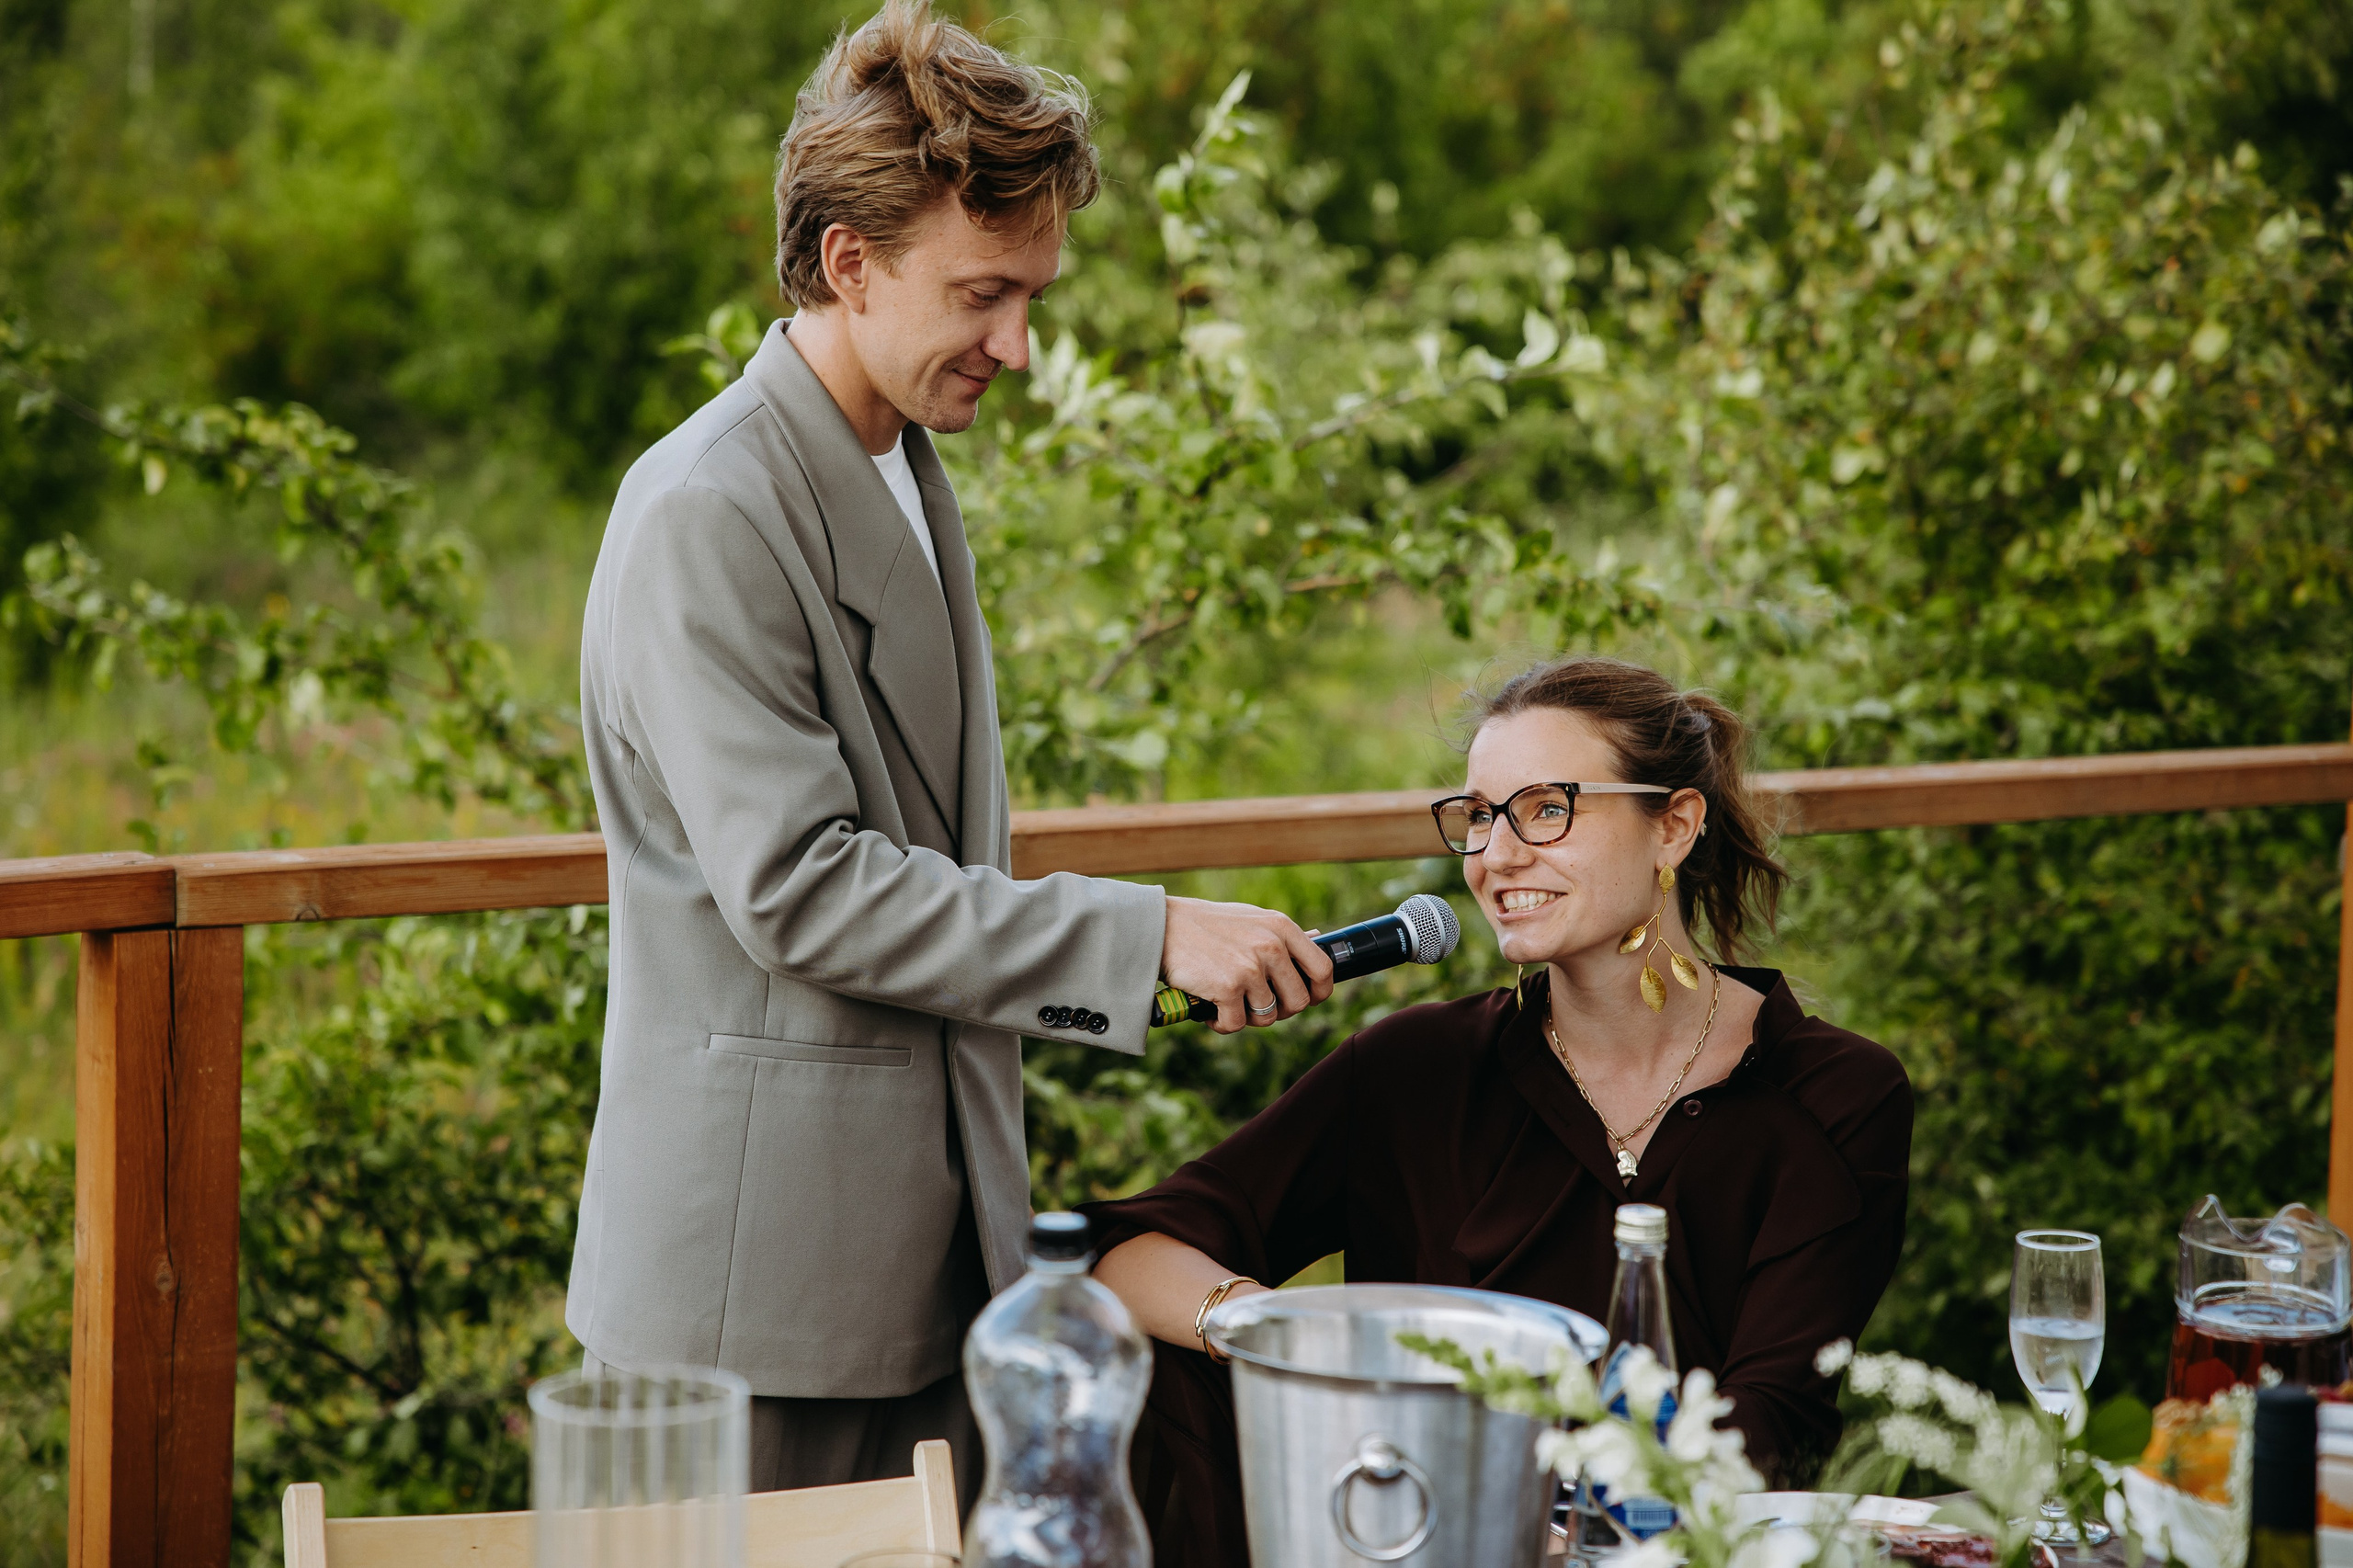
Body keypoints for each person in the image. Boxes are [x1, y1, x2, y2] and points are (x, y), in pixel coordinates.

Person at [568, 1, 1333, 1502]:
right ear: (849, 263)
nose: (1021, 348)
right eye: (985, 295)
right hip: (760, 1303)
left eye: (1032, 296)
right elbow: (803, 888)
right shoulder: (711, 509)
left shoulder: (898, 463)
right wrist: (1146, 938)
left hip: (923, 1260)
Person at [1084, 654, 1915, 1565]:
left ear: (1673, 825)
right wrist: (1300, 1342)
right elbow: (1126, 1254)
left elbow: (1771, 1423)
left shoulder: (1836, 1093)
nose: (1497, 854)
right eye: (1480, 815)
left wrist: (1560, 1536)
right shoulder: (1413, 1069)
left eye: (1547, 808)